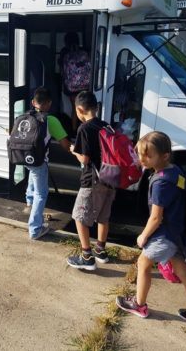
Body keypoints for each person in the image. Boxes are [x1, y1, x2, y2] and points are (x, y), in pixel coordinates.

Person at [116, 131, 186, 330]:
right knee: (184, 273)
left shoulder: (160, 183)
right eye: (141, 154)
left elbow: (156, 217)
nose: (142, 159)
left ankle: (139, 305)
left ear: (165, 156)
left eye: (147, 155)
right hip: (176, 233)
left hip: (164, 235)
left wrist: (143, 236)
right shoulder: (175, 171)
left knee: (143, 263)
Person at [67, 91, 116, 270]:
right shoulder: (107, 126)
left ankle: (87, 257)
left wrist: (74, 150)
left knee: (79, 217)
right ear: (96, 107)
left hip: (92, 180)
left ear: (79, 110)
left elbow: (85, 159)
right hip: (110, 178)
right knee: (103, 216)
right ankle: (100, 251)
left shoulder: (84, 129)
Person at [26, 87, 70, 240]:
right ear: (49, 104)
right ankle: (35, 229)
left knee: (33, 175)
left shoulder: (24, 116)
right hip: (39, 161)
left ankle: (29, 203)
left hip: (24, 157)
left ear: (33, 102)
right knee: (41, 193)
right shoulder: (51, 120)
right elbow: (65, 144)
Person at [59, 32, 90, 134]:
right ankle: (85, 130)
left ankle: (73, 131)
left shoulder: (64, 52)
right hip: (85, 86)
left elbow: (62, 69)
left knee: (75, 108)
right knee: (85, 107)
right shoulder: (84, 51)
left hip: (71, 87)